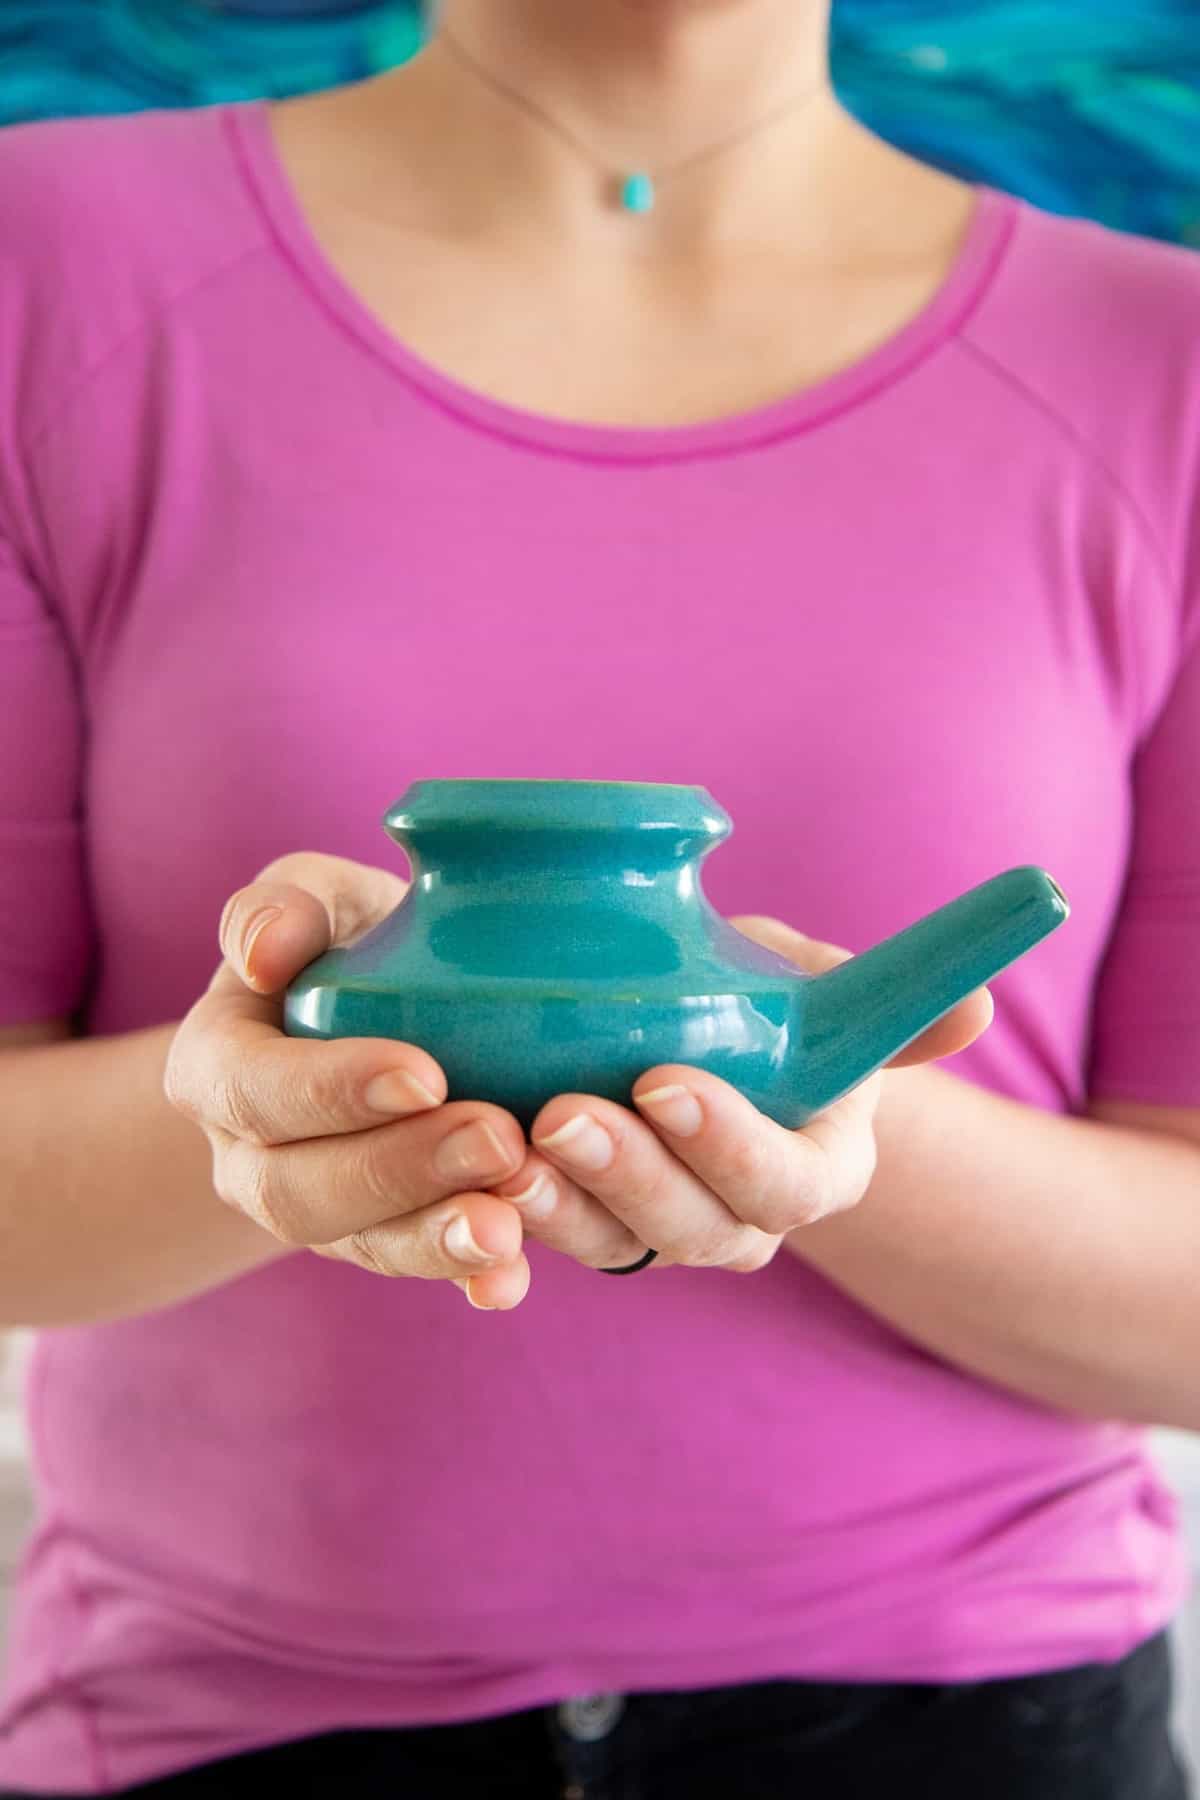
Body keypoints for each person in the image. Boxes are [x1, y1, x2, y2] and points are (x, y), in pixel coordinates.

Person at [0, 0, 1197, 1793]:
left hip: (985, 1720)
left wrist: (814, 1099)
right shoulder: (42, 263)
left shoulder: (1160, 360)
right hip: (226, 1725)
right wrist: (265, 1096)